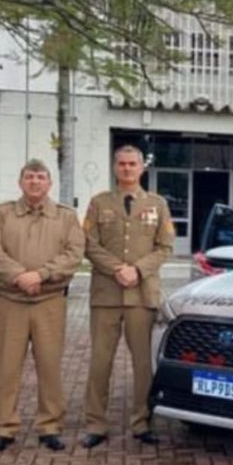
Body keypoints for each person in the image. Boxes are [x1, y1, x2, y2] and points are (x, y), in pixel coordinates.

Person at [0, 159, 85, 453]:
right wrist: (19, 276)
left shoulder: (65, 217)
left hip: (49, 301)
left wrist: (40, 275)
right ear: (20, 182)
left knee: (50, 366)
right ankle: (4, 427)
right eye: (29, 177)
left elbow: (73, 253)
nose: (35, 182)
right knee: (7, 368)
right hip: (10, 301)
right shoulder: (2, 214)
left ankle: (49, 426)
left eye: (41, 177)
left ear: (49, 183)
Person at [80, 146, 174, 448]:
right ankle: (96, 423)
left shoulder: (157, 204)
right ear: (114, 167)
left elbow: (165, 247)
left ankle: (141, 422)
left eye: (132, 164)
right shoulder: (98, 203)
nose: (127, 168)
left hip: (141, 294)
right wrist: (117, 268)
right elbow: (88, 244)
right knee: (100, 362)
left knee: (142, 364)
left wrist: (137, 270)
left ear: (141, 168)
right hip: (106, 294)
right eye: (121, 163)